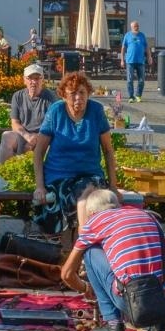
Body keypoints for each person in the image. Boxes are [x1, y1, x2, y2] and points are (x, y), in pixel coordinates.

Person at [61, 187, 165, 331]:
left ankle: (113, 325)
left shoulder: (95, 221)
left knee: (90, 251)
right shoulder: (148, 216)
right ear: (118, 205)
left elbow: (67, 274)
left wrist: (85, 287)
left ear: (91, 213)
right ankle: (159, 325)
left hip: (134, 303)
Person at [32, 70, 119, 235]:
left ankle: (83, 239)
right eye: (73, 94)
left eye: (82, 92)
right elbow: (39, 152)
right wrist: (40, 187)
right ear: (64, 96)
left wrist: (114, 186)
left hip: (90, 175)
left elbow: (108, 151)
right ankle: (73, 243)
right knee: (65, 199)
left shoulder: (96, 111)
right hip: (59, 176)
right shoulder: (56, 111)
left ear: (88, 94)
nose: (78, 97)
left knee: (87, 194)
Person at [0, 63, 56, 163]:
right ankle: (4, 170)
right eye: (30, 78)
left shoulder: (50, 97)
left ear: (42, 80)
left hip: (43, 136)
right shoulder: (17, 96)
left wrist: (35, 139)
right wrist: (27, 136)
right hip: (23, 134)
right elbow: (15, 123)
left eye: (37, 78)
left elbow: (52, 125)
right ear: (24, 80)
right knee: (6, 136)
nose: (33, 82)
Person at [121, 21, 152, 102]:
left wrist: (149, 57)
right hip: (130, 61)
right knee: (129, 80)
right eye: (135, 26)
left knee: (141, 80)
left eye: (137, 26)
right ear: (131, 27)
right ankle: (131, 97)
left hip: (140, 61)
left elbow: (147, 47)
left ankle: (138, 95)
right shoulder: (127, 35)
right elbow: (123, 48)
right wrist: (122, 60)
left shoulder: (142, 35)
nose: (137, 27)